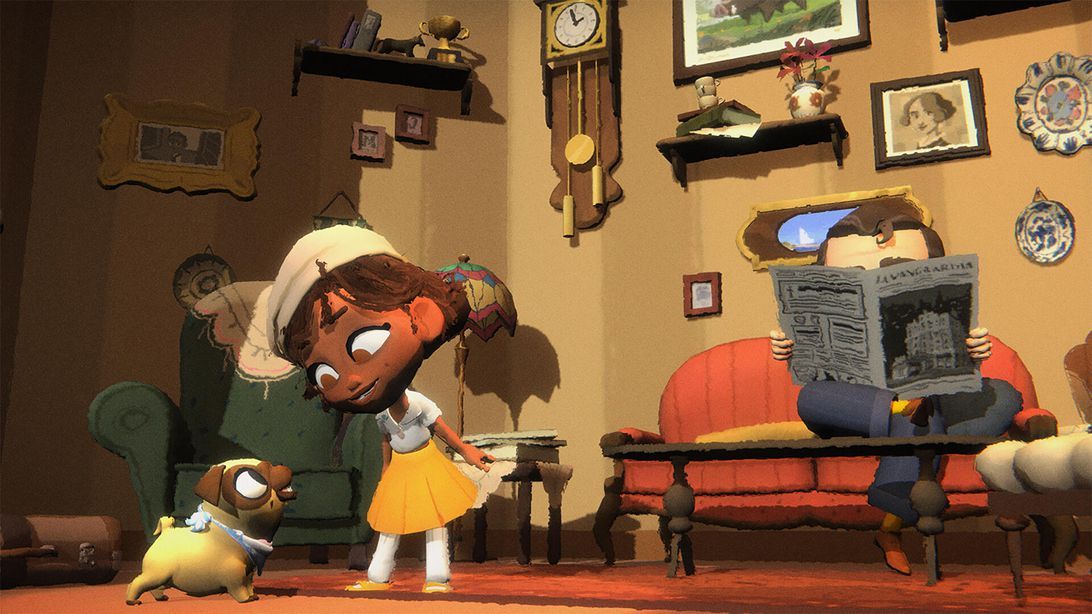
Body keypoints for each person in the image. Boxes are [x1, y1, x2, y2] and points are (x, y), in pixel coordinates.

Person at [768, 204, 1057, 575]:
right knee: (813, 397)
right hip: (853, 406)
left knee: (991, 397)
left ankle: (889, 529)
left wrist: (971, 353)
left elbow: (954, 365)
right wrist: (789, 348)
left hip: (919, 397)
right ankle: (902, 412)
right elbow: (812, 367)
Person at [267, 225, 494, 594]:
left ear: (423, 316)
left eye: (364, 344)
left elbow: (440, 429)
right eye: (324, 374)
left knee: (434, 522)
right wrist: (385, 474)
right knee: (391, 523)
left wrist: (466, 450)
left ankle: (437, 576)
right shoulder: (381, 415)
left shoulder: (418, 403)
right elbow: (385, 442)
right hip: (400, 471)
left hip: (425, 465)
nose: (351, 380)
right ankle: (378, 575)